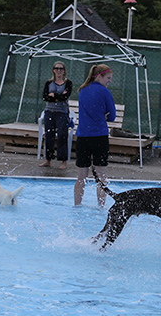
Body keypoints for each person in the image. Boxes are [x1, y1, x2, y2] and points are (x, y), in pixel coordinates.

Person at [74, 64, 116, 207]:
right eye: (108, 78)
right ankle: (101, 207)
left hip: (82, 137)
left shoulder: (82, 90)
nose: (109, 81)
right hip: (99, 137)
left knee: (81, 177)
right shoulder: (105, 92)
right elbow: (112, 116)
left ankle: (77, 206)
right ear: (99, 76)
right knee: (101, 176)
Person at [40, 61, 74, 169]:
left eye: (61, 69)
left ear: (64, 71)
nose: (59, 70)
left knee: (62, 135)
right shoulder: (48, 83)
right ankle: (48, 159)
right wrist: (59, 95)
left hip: (61, 112)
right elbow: (45, 97)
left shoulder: (68, 83)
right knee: (49, 135)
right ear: (53, 70)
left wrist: (53, 95)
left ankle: (63, 161)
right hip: (49, 111)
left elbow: (66, 96)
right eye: (57, 68)